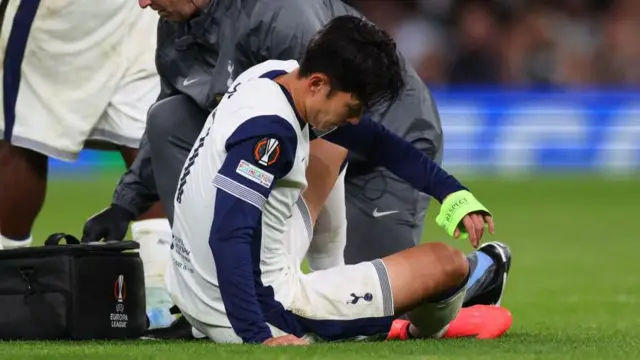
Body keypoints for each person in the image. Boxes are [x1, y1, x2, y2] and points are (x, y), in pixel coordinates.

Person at [165, 15, 512, 345]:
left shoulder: (273, 76)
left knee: (333, 143)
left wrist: (451, 192)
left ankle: (334, 277)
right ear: (318, 83)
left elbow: (375, 140)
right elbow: (228, 234)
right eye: (353, 108)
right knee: (448, 264)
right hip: (257, 308)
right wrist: (259, 334)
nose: (355, 119)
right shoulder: (269, 136)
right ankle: (413, 324)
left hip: (190, 282)